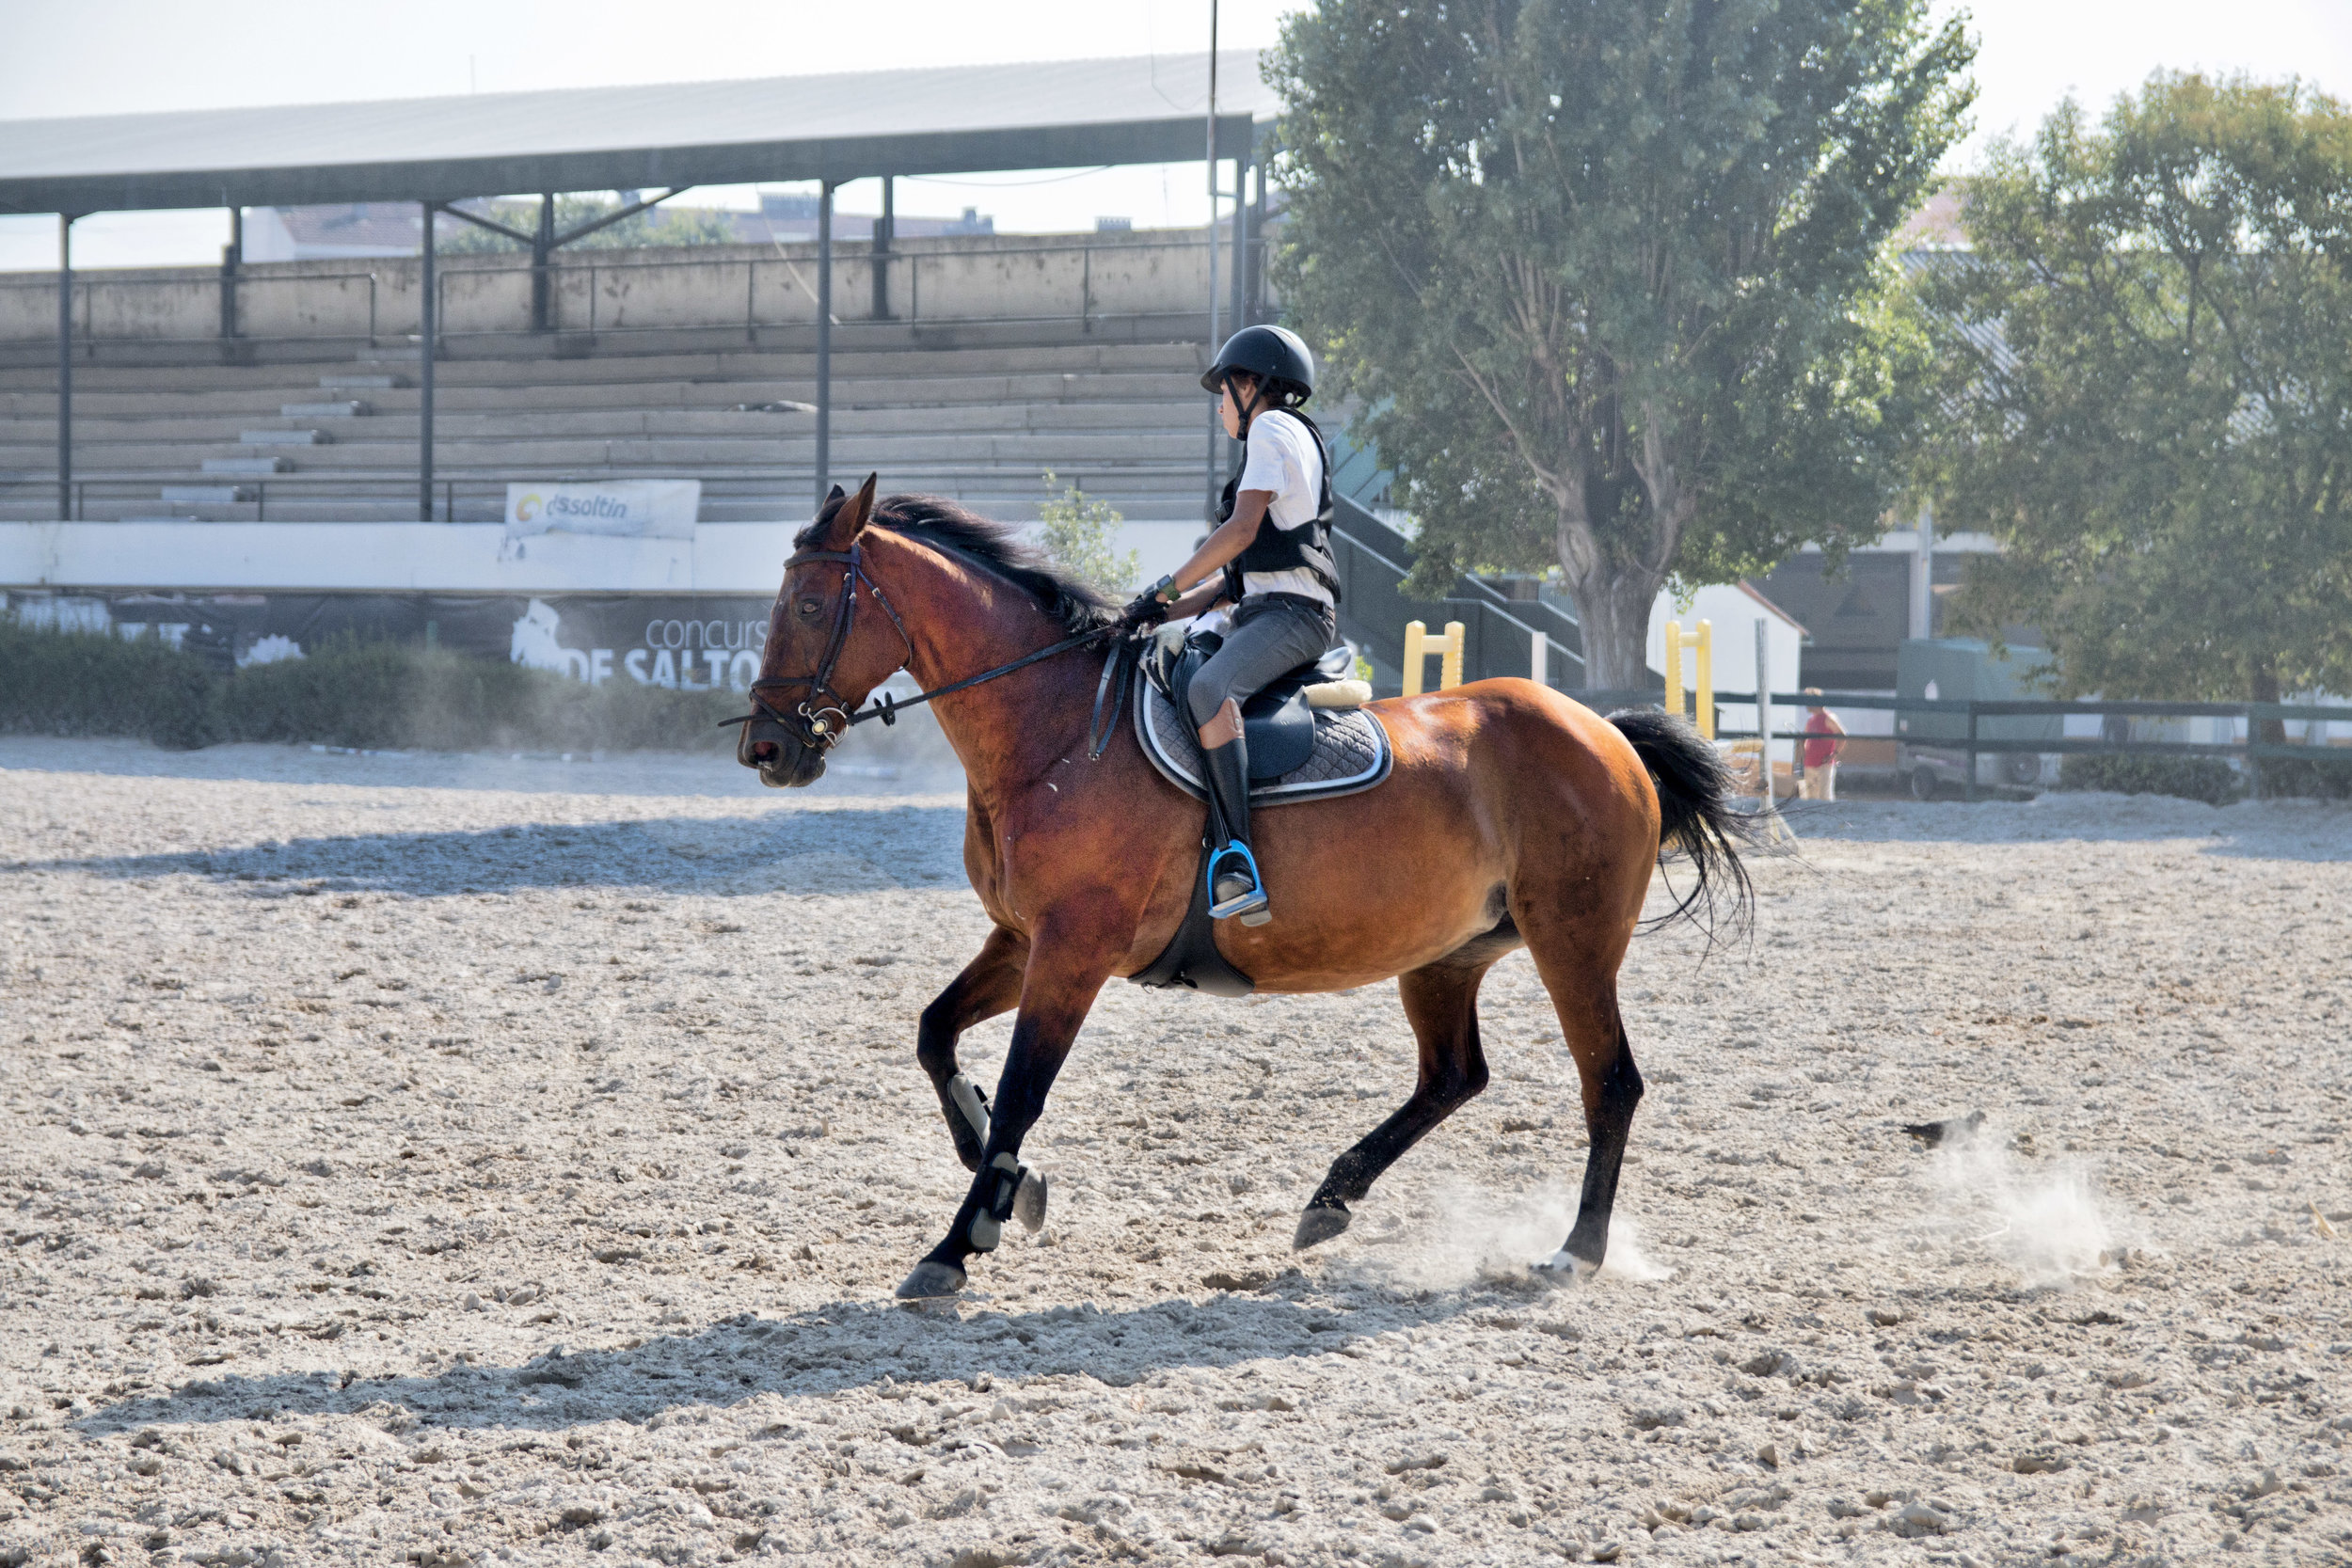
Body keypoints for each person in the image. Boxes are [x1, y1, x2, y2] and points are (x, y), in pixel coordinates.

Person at [1120, 325, 1340, 927]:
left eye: (1223, 391)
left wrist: (1167, 584)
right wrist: (1157, 612)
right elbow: (1237, 578)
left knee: (1208, 689)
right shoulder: (1285, 438)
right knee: (1168, 662)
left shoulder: (1270, 429)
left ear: (1251, 386)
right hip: (1264, 610)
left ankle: (1235, 855)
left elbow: (1239, 534)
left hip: (1293, 618)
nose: (1220, 405)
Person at [1801, 689, 1847, 800]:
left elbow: (1842, 736)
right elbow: (1805, 738)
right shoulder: (1811, 720)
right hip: (1810, 764)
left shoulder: (1828, 718)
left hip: (1824, 765)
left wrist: (1834, 754)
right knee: (1809, 799)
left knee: (1825, 799)